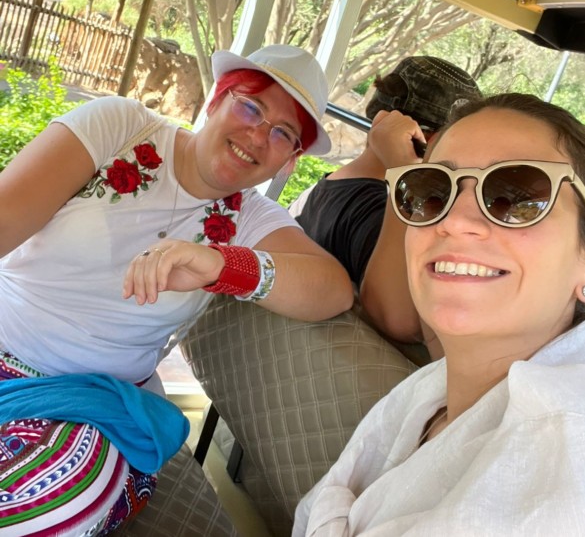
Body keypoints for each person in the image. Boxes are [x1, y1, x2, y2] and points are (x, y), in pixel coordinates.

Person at [0, 44, 353, 535]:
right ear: (217, 99)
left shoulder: (249, 218)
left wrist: (221, 264)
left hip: (92, 406)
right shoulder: (120, 126)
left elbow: (332, 290)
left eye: (283, 133)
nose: (258, 134)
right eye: (251, 106)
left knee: (57, 502)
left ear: (290, 161)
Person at [293, 92, 585, 536]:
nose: (454, 220)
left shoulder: (581, 457)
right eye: (431, 191)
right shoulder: (433, 391)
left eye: (516, 196)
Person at [290, 56, 481, 351]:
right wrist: (405, 177)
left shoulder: (329, 187)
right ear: (421, 140)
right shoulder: (379, 209)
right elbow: (399, 321)